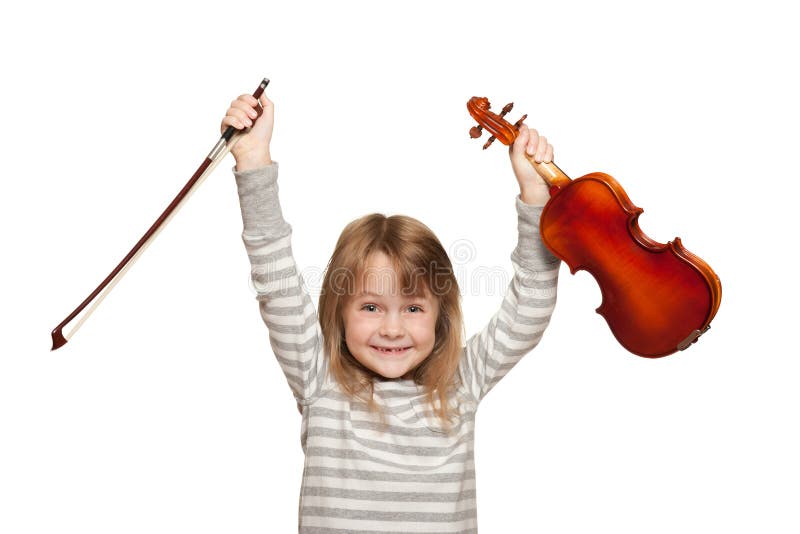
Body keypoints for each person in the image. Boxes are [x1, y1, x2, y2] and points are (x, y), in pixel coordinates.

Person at [223, 91, 560, 533]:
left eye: (414, 306)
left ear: (441, 316)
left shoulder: (461, 381)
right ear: (338, 311)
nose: (393, 328)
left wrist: (536, 197)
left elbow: (530, 303)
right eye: (370, 306)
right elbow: (273, 265)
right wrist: (253, 159)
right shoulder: (317, 374)